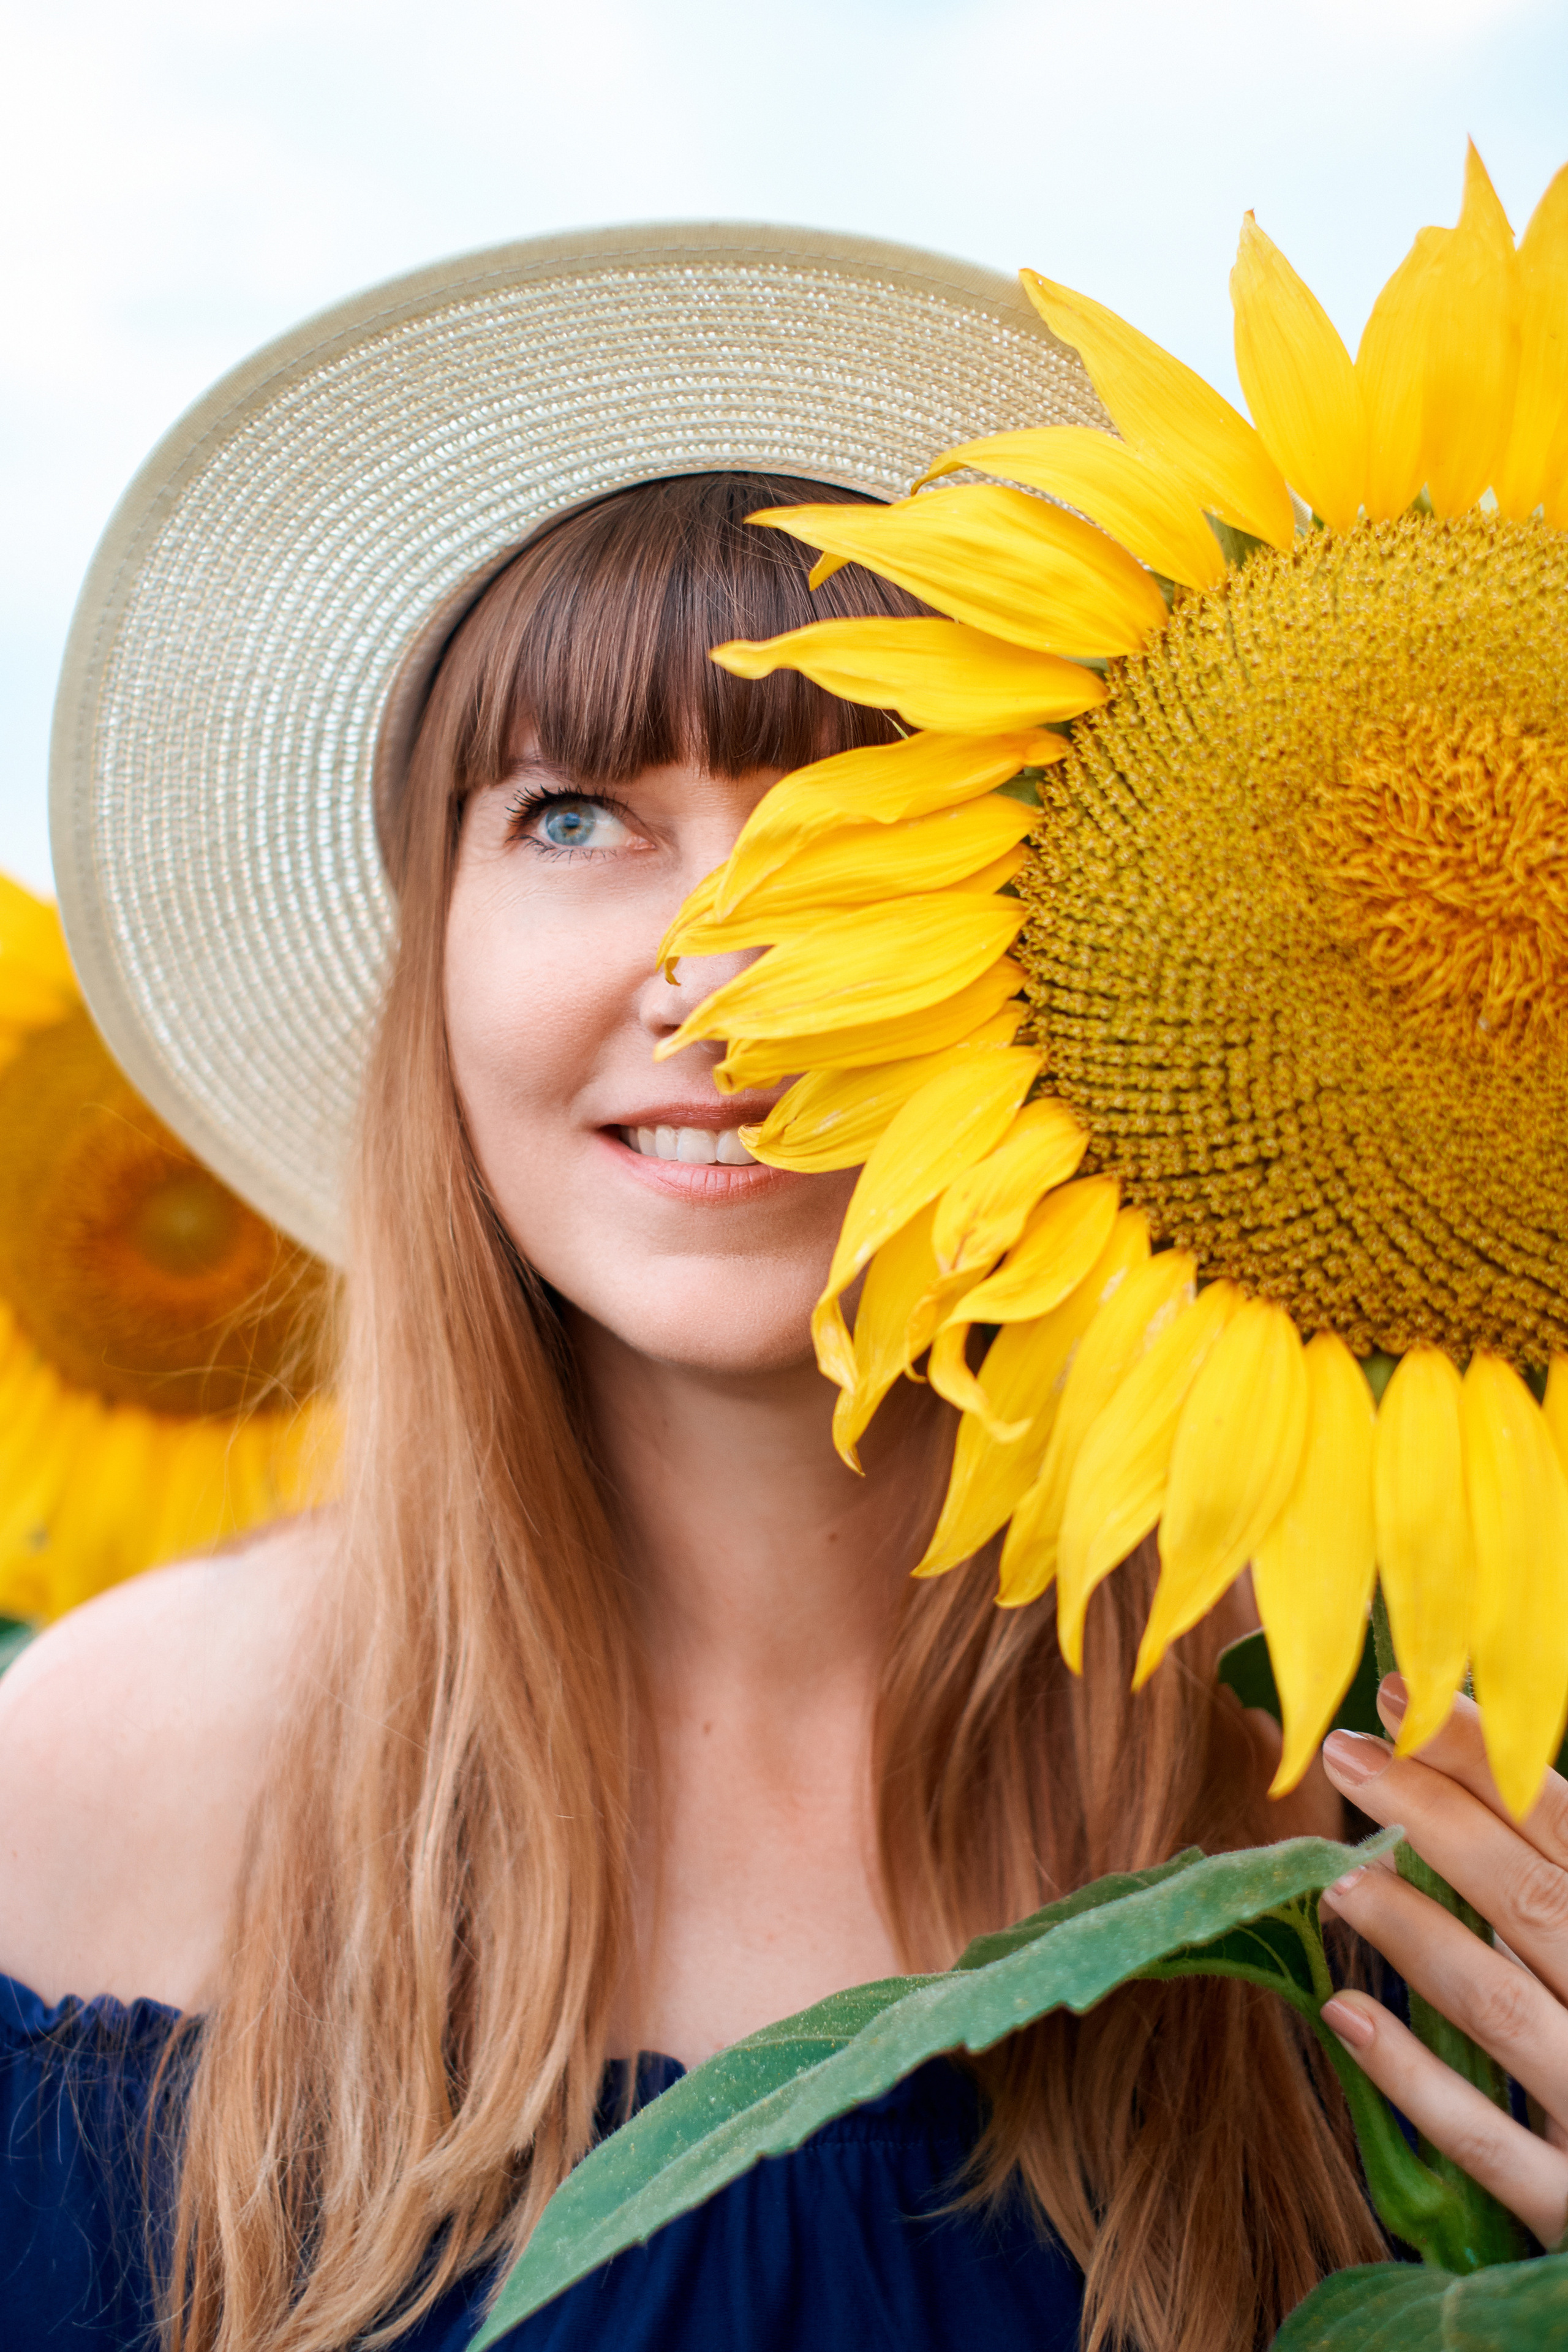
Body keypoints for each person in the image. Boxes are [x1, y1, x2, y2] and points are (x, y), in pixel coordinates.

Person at [2, 226, 1566, 2352]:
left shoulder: (1396, 1773)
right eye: (574, 817)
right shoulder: (101, 1778)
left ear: (1087, 924)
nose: (724, 977)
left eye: (850, 807)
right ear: (428, 952)